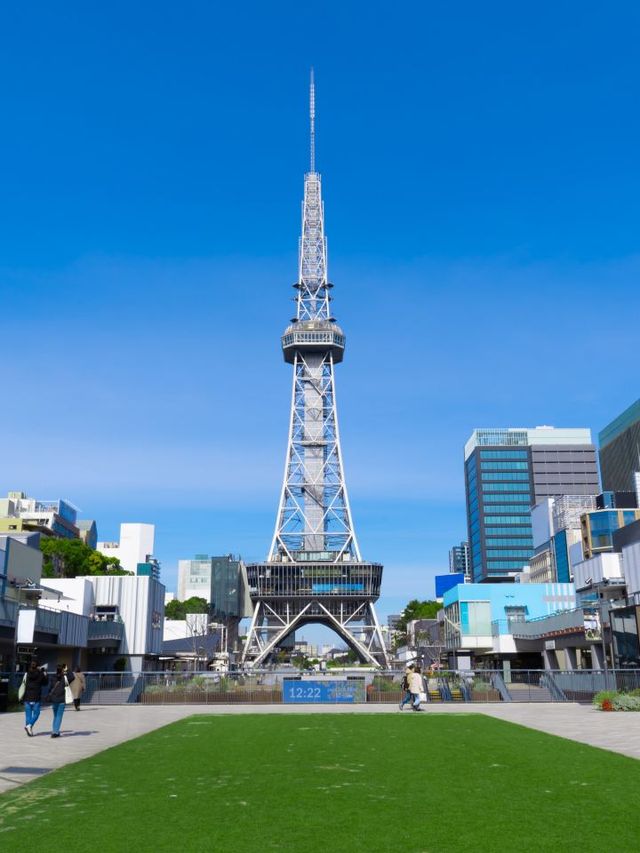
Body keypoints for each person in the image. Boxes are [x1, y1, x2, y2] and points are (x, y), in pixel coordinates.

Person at [46, 664, 75, 738]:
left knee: (55, 716)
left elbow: (50, 688)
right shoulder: (65, 678)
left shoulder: (53, 678)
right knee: (59, 716)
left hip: (54, 699)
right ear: (62, 670)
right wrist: (67, 669)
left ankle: (55, 730)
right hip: (61, 699)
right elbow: (72, 677)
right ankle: (55, 732)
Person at [22, 661, 48, 736]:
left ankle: (29, 731)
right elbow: (45, 683)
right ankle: (29, 726)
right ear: (37, 666)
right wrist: (44, 672)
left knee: (28, 715)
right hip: (36, 697)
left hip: (27, 697)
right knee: (37, 713)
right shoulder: (40, 674)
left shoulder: (27, 674)